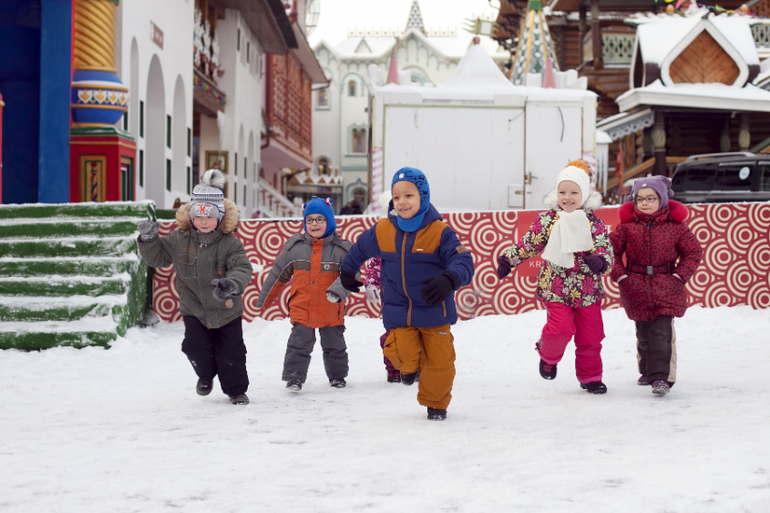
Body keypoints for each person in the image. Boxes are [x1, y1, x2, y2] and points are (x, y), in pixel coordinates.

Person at [339, 168, 475, 421]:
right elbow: (359, 248)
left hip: (435, 310)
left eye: (409, 195)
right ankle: (409, 368)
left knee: (440, 362)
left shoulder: (439, 231)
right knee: (400, 353)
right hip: (399, 311)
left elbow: (463, 260)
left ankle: (436, 404)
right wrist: (348, 270)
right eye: (396, 196)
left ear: (423, 196)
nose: (402, 202)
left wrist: (449, 278)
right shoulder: (384, 229)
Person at [136, 169, 253, 405]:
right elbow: (158, 258)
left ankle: (236, 390)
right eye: (198, 216)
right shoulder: (179, 238)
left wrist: (232, 283)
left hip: (226, 309)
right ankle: (205, 376)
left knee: (231, 353)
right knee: (194, 348)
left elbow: (241, 266)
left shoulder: (230, 243)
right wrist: (149, 240)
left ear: (220, 217)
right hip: (194, 309)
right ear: (191, 217)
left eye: (209, 216)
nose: (203, 221)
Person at [496, 160, 613, 394]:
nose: (567, 198)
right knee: (560, 329)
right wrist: (509, 260)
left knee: (591, 336)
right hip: (556, 287)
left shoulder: (593, 223)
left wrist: (601, 261)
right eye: (562, 192)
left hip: (587, 290)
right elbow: (529, 243)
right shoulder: (548, 220)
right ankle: (548, 356)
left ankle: (590, 377)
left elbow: (604, 247)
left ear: (584, 194)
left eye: (574, 193)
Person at [609, 176, 702, 396]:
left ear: (662, 199)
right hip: (635, 285)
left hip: (667, 284)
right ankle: (647, 370)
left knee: (662, 332)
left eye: (651, 198)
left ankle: (661, 378)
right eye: (640, 199)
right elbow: (610, 251)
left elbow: (693, 252)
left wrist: (679, 276)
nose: (645, 203)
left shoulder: (676, 227)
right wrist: (622, 276)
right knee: (643, 333)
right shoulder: (627, 227)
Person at [256, 197, 355, 392]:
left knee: (334, 345)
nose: (314, 224)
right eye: (309, 220)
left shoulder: (341, 249)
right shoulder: (295, 247)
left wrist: (338, 291)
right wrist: (265, 299)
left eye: (320, 219)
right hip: (302, 306)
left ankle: (337, 376)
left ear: (329, 221)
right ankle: (294, 377)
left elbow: (352, 274)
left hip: (330, 307)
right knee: (298, 345)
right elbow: (278, 273)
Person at [363, 192, 402, 383]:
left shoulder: (418, 234)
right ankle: (394, 369)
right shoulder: (381, 236)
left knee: (416, 333)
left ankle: (414, 367)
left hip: (416, 295)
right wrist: (372, 283)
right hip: (391, 295)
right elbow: (374, 263)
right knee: (393, 334)